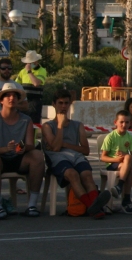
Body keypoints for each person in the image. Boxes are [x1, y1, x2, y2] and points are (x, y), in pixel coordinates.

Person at [0, 82, 45, 218]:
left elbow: (30, 145)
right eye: (7, 95)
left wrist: (21, 148)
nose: (11, 98)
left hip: (18, 158)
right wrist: (5, 149)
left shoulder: (26, 120)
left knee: (37, 156)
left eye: (14, 95)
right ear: (1, 101)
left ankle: (32, 204)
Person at [42, 89, 111, 218]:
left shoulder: (77, 125)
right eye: (60, 103)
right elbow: (56, 148)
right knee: (72, 174)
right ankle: (95, 208)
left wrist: (66, 145)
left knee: (87, 175)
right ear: (54, 104)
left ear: (70, 105)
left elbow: (85, 150)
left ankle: (93, 207)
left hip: (76, 156)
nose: (63, 106)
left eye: (66, 103)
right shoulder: (48, 126)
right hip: (58, 158)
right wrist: (60, 126)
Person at [100, 110, 132, 214]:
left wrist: (125, 156)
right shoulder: (110, 137)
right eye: (121, 122)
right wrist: (116, 159)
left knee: (131, 162)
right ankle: (126, 200)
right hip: (113, 163)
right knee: (131, 167)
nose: (124, 124)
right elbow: (103, 157)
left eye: (126, 122)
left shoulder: (130, 137)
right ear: (115, 122)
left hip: (125, 163)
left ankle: (120, 187)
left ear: (130, 124)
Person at [15, 50, 47, 124]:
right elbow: (16, 85)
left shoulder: (42, 71)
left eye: (31, 62)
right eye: (28, 62)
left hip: (35, 102)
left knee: (33, 124)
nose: (29, 64)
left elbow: (36, 83)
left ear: (36, 61)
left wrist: (29, 72)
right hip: (23, 102)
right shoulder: (22, 71)